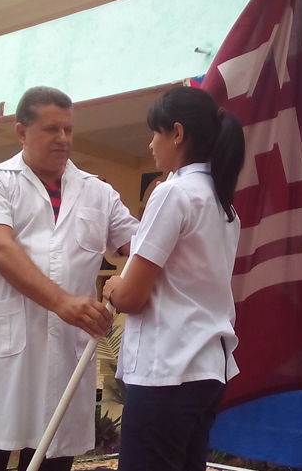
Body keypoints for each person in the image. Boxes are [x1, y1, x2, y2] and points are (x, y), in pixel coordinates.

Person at [0, 86, 139, 471]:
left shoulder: (98, 193)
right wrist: (63, 302)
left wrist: (171, 199)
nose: (63, 139)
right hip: (0, 354)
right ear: (21, 131)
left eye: (68, 129)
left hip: (66, 356)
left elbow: (141, 247)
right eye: (51, 129)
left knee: (53, 459)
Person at [102, 86, 245, 471]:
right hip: (206, 370)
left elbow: (131, 297)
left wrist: (113, 287)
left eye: (156, 133)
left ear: (177, 134)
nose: (151, 145)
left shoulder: (173, 193)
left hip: (166, 372)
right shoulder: (224, 207)